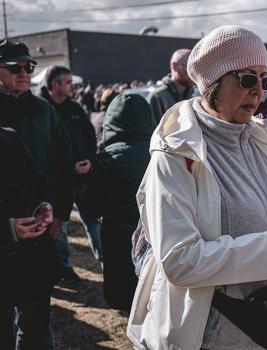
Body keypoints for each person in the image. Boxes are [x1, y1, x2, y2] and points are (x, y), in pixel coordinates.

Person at [127, 25, 267, 350]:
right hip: (213, 333)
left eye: (265, 79)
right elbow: (180, 260)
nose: (260, 92)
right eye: (247, 79)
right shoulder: (176, 154)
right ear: (212, 84)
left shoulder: (260, 137)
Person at [78, 93, 156, 311]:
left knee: (129, 301)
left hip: (120, 243)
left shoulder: (107, 160)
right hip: (156, 239)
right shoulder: (161, 155)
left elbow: (91, 206)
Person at [0, 40, 74, 268]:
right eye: (14, 67)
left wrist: (60, 213)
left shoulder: (45, 111)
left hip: (42, 217)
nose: (23, 73)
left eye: (28, 67)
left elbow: (64, 161)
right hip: (5, 222)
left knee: (38, 294)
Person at [0, 127, 57, 350]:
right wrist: (7, 229)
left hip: (28, 260)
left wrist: (42, 206)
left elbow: (37, 182)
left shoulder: (9, 136)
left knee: (34, 331)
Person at [41, 65, 101, 275]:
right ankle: (64, 269)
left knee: (93, 221)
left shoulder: (75, 109)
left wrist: (90, 161)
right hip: (57, 183)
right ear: (55, 84)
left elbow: (90, 136)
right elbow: (43, 150)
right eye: (67, 82)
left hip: (83, 179)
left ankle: (106, 263)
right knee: (60, 227)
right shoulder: (42, 110)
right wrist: (69, 167)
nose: (72, 86)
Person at [147, 48, 195, 122]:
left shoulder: (194, 97)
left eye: (195, 68)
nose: (192, 73)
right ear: (174, 66)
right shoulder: (157, 97)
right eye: (188, 67)